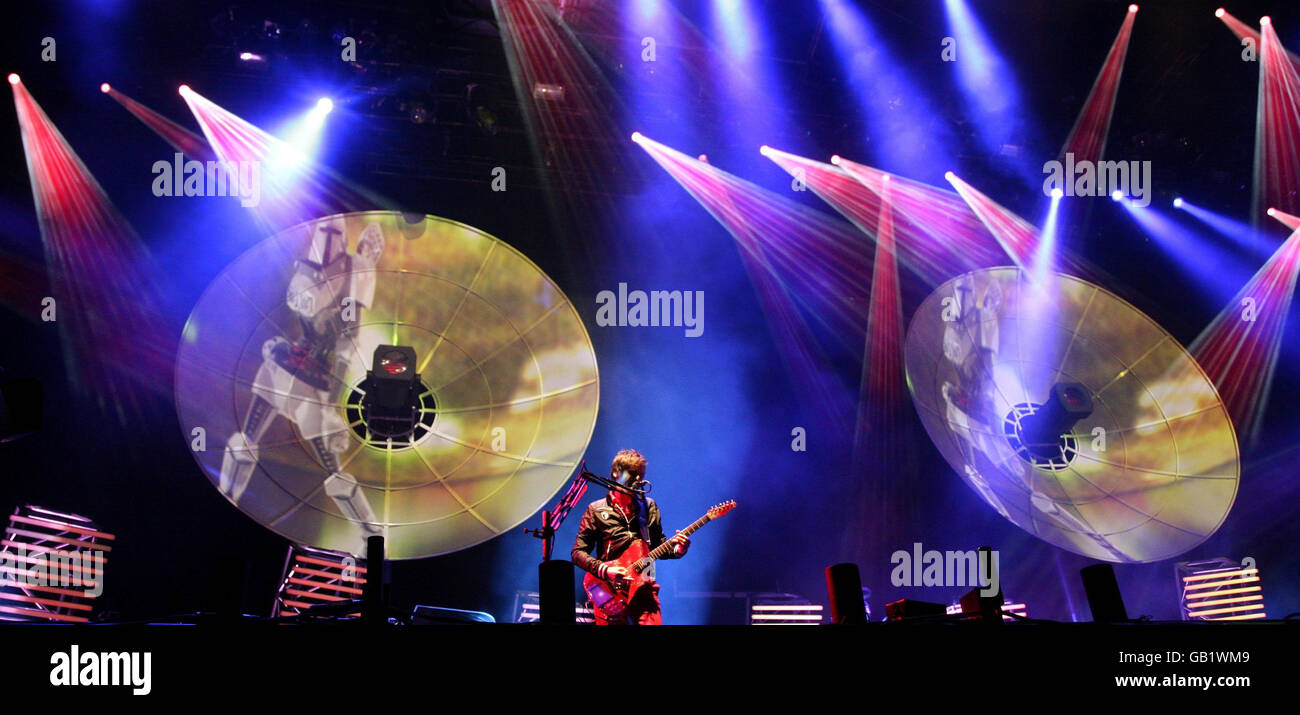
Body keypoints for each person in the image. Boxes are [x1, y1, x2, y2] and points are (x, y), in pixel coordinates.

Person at [571, 449, 689, 624]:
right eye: (632, 474)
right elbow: (577, 553)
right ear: (615, 473)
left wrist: (678, 550)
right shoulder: (596, 509)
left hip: (645, 582)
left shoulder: (648, 506)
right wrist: (605, 570)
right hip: (609, 587)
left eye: (641, 474)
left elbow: (658, 546)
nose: (638, 480)